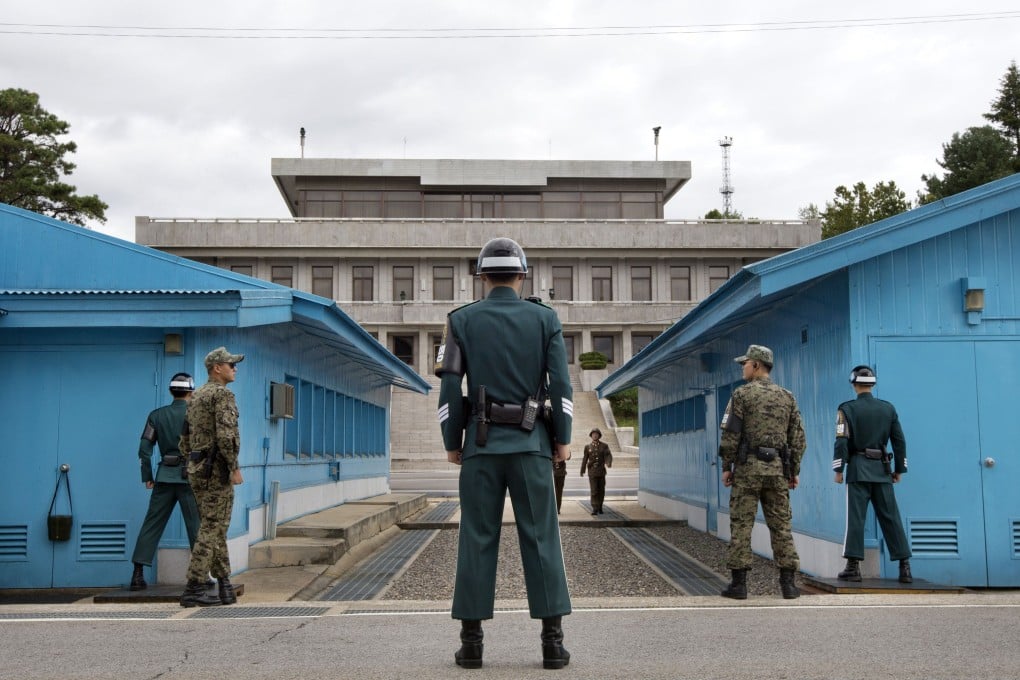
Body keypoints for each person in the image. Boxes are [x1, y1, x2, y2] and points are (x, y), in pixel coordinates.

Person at [436, 237, 574, 670]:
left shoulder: (461, 320)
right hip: (532, 445)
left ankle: (471, 643)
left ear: (481, 276)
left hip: (480, 443)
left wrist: (451, 441)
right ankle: (552, 643)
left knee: (476, 539)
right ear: (522, 273)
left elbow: (448, 386)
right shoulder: (544, 319)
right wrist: (563, 438)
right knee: (541, 539)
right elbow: (562, 385)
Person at [718, 344, 806, 600]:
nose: (743, 368)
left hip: (747, 469)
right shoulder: (787, 396)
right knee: (781, 526)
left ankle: (739, 585)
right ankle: (788, 585)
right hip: (778, 470)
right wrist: (793, 470)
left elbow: (731, 435)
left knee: (742, 524)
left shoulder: (741, 395)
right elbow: (798, 438)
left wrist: (727, 466)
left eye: (745, 363)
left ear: (756, 365)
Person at [832, 365, 912, 584]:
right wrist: (899, 470)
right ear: (873, 384)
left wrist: (838, 468)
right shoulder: (888, 409)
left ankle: (853, 567)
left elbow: (841, 441)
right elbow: (899, 441)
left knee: (855, 519)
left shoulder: (846, 409)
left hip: (858, 469)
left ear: (853, 384)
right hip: (882, 470)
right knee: (891, 517)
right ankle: (905, 567)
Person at [179, 347, 245, 608]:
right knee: (212, 527)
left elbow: (184, 438)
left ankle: (225, 585)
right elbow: (227, 437)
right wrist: (233, 467)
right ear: (217, 368)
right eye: (231, 364)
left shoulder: (196, 397)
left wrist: (192, 461)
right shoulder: (222, 395)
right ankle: (194, 586)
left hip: (197, 468)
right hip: (216, 470)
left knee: (214, 526)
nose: (234, 368)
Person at [128, 373, 201, 590]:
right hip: (192, 478)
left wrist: (147, 477)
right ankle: (199, 576)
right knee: (196, 526)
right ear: (191, 391)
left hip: (164, 477)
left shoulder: (156, 416)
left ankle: (138, 574)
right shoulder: (199, 415)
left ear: (171, 391)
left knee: (152, 524)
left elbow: (144, 450)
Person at [580, 428, 613, 515]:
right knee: (594, 490)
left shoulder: (604, 446)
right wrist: (582, 470)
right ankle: (595, 508)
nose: (595, 435)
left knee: (601, 490)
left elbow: (608, 455)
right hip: (592, 471)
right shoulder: (587, 447)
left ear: (599, 435)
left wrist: (608, 462)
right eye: (593, 434)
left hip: (601, 471)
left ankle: (600, 507)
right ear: (591, 435)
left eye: (596, 434)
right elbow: (585, 459)